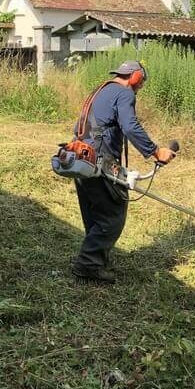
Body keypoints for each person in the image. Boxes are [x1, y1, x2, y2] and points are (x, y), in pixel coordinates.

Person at [71, 60, 175, 284]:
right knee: (113, 214)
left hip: (79, 156)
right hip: (100, 159)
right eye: (141, 82)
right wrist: (156, 152)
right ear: (136, 77)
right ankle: (88, 264)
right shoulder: (125, 93)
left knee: (94, 211)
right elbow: (130, 126)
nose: (140, 87)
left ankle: (96, 260)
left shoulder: (102, 89)